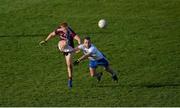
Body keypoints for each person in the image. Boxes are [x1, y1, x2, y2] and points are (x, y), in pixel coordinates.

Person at [39, 22, 81, 88]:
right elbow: (52, 34)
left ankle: (70, 79)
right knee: (64, 42)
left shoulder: (70, 31)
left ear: (67, 27)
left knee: (69, 65)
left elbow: (78, 39)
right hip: (62, 45)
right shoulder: (59, 29)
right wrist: (45, 41)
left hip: (69, 49)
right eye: (63, 28)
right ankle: (62, 48)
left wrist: (79, 47)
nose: (64, 30)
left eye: (65, 28)